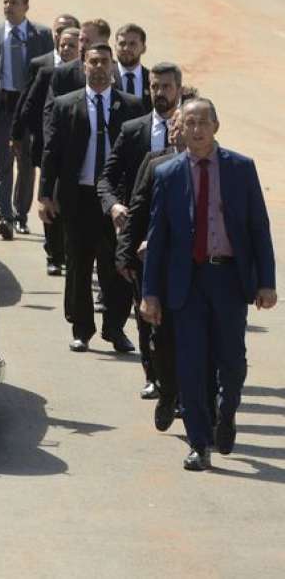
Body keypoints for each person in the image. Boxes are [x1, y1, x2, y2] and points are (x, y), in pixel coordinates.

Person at [142, 98, 277, 471]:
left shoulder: (241, 169)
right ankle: (199, 442)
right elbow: (159, 237)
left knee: (231, 360)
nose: (197, 130)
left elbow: (258, 229)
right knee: (190, 363)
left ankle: (227, 410)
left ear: (216, 125)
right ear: (179, 129)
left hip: (229, 278)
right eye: (189, 123)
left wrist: (266, 282)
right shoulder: (167, 174)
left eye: (203, 122)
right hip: (186, 282)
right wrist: (150, 293)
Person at [39, 44, 143, 353]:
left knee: (118, 266)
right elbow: (51, 153)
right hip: (79, 198)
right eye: (93, 62)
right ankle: (81, 328)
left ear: (113, 67)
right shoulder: (65, 105)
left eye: (104, 62)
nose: (99, 67)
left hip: (117, 202)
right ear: (84, 66)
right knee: (79, 266)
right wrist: (46, 195)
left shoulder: (132, 106)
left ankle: (115, 328)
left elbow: (140, 156)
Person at [99, 62, 182, 397]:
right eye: (154, 86)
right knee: (146, 312)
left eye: (165, 87)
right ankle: (154, 376)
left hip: (181, 243)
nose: (159, 93)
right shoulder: (134, 129)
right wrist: (114, 205)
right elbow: (106, 177)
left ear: (178, 89)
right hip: (141, 239)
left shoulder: (190, 129)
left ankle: (180, 379)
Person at [116, 91, 196, 432]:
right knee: (161, 339)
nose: (183, 130)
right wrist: (125, 253)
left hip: (201, 268)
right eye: (178, 124)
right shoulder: (155, 163)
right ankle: (166, 391)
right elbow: (137, 210)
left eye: (191, 124)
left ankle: (190, 401)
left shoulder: (220, 167)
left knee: (197, 339)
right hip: (158, 265)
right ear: (172, 130)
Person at [0, 0, 53, 240]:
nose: (8, 7)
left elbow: (49, 73)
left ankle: (20, 215)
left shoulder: (41, 35)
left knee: (27, 165)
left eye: (14, 2)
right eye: (5, 2)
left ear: (26, 6)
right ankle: (3, 215)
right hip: (2, 105)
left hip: (29, 107)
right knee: (2, 163)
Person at [13, 21, 80, 276]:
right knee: (51, 200)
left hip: (80, 153)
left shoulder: (88, 76)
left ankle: (71, 249)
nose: (66, 49)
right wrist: (30, 135)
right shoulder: (48, 73)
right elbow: (28, 106)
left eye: (72, 45)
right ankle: (54, 255)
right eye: (62, 44)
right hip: (52, 150)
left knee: (73, 205)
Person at [114, 24, 152, 112]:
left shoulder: (151, 79)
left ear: (143, 48)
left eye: (132, 44)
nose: (126, 48)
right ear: (115, 47)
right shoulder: (105, 77)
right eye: (122, 44)